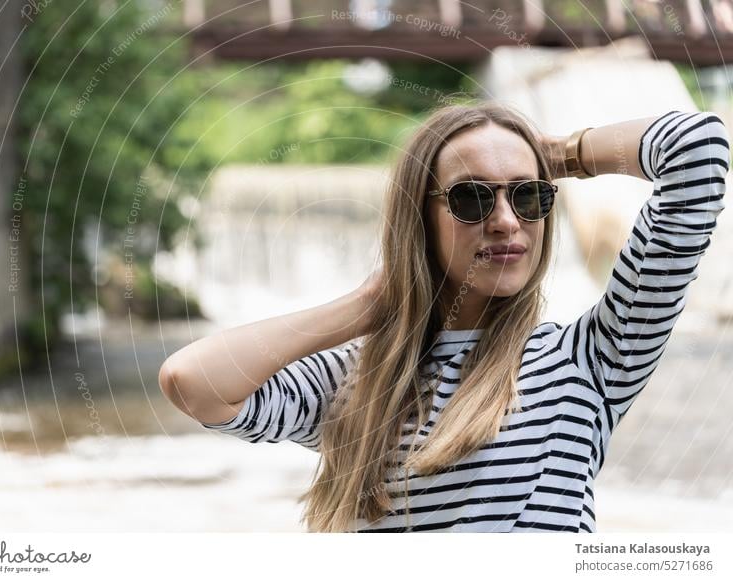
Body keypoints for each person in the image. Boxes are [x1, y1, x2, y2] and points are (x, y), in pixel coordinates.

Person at [158, 104, 729, 532]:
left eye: (529, 196)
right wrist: (372, 303)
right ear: (418, 218)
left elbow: (699, 150)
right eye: (472, 198)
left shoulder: (594, 358)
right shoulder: (351, 381)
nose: (507, 220)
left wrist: (561, 155)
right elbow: (193, 383)